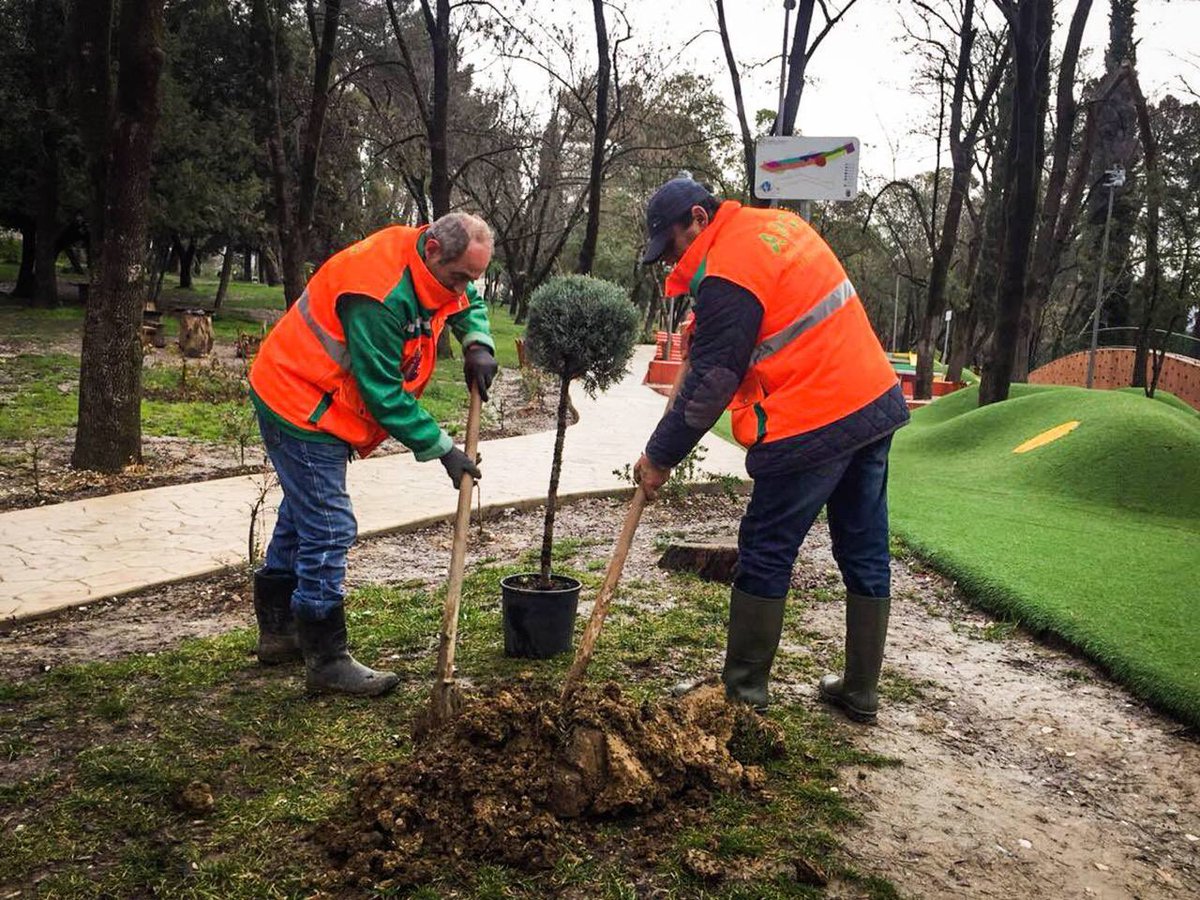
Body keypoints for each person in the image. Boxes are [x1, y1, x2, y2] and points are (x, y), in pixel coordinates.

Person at [633, 178, 909, 722]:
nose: (670, 262)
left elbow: (712, 381)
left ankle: (744, 696)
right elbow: (771, 308)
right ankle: (860, 690)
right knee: (864, 546)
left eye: (672, 247)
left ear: (697, 218)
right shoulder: (774, 228)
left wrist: (659, 457)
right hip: (872, 402)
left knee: (766, 546)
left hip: (814, 417)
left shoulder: (730, 268)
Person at [247, 213, 499, 697]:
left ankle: (280, 632)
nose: (466, 287)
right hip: (298, 400)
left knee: (303, 514)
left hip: (320, 400)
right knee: (328, 524)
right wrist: (443, 449)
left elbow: (465, 299)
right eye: (460, 276)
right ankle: (326, 657)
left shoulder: (437, 269)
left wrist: (477, 341)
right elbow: (383, 392)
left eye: (475, 276)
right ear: (432, 251)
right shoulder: (377, 294)